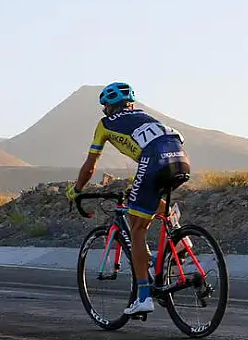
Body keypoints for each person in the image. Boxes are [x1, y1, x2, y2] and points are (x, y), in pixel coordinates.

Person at [65, 82, 191, 316]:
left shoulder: (105, 124)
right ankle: (178, 233)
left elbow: (91, 165)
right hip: (180, 157)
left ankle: (143, 296)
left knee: (137, 228)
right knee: (146, 197)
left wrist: (77, 189)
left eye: (104, 107)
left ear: (109, 107)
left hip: (155, 159)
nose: (104, 111)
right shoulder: (145, 116)